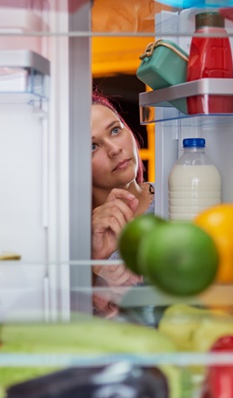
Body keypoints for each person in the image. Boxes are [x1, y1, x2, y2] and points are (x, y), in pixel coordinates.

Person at [90, 91, 155, 314]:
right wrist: (95, 265)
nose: (115, 149)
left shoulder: (174, 195)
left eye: (115, 130)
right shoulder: (74, 237)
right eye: (92, 146)